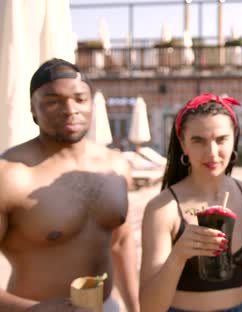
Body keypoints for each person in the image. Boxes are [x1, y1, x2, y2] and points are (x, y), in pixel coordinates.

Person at [0, 58, 140, 311]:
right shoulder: (9, 175)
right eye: (53, 101)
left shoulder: (115, 165)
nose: (70, 109)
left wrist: (135, 307)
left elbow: (121, 242)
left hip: (106, 306)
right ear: (33, 108)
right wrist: (33, 310)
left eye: (80, 99)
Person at [139, 94, 242, 312]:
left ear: (234, 138)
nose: (211, 153)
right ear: (183, 144)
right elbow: (149, 307)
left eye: (221, 139)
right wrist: (178, 256)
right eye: (198, 141)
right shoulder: (163, 209)